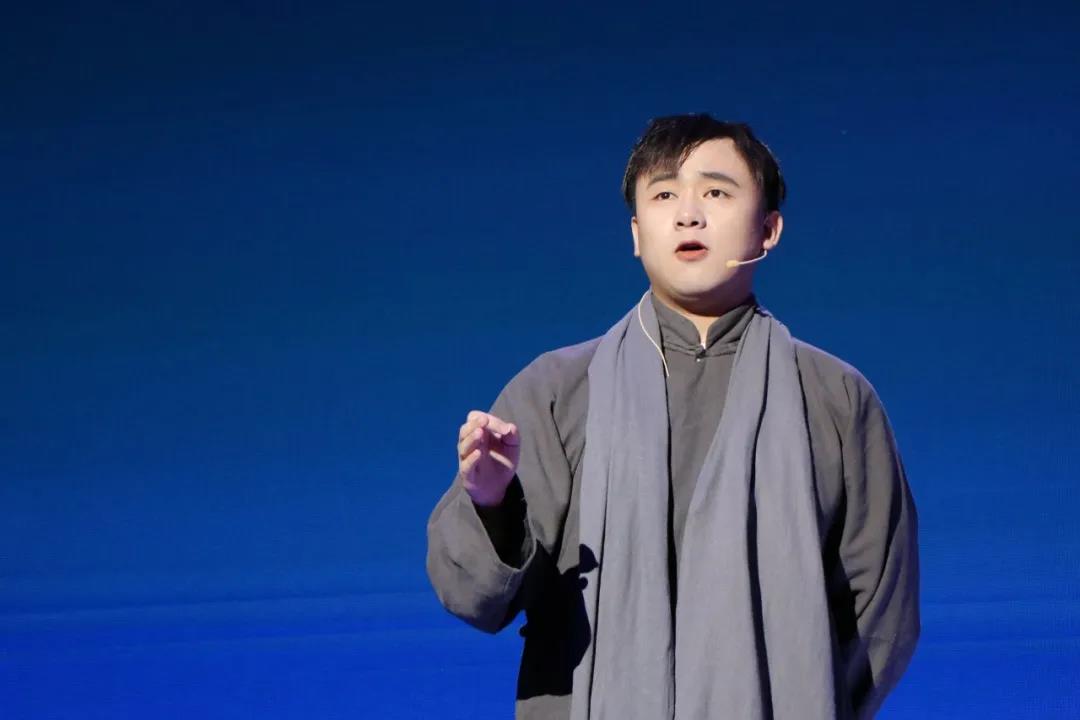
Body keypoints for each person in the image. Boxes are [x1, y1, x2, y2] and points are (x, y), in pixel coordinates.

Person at [426, 113, 920, 720]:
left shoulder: (836, 398)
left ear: (768, 229)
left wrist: (798, 695)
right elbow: (473, 597)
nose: (689, 215)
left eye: (716, 192)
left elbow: (881, 614)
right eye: (663, 196)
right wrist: (491, 504)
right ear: (637, 234)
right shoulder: (557, 390)